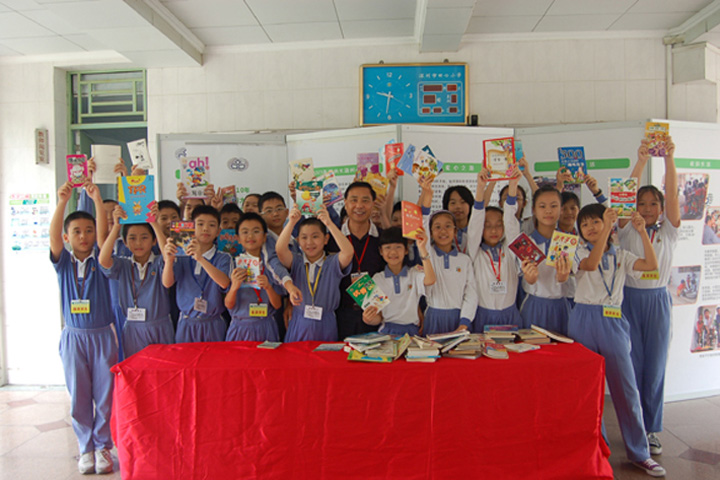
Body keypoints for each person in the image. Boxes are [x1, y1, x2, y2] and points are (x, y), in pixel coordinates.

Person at [569, 204, 665, 477]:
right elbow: (590, 264)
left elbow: (651, 266)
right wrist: (606, 232)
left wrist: (641, 232)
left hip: (613, 320)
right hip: (583, 318)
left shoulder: (621, 255)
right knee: (589, 390)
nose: (590, 227)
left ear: (607, 225)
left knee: (627, 388)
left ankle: (640, 452)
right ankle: (597, 449)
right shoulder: (578, 251)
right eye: (584, 224)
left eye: (596, 222)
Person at [50, 179, 116, 475]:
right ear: (67, 237)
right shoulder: (62, 262)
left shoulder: (101, 261)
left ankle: (103, 447)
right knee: (79, 394)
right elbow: (53, 236)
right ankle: (84, 448)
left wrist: (97, 197)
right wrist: (63, 201)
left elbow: (103, 235)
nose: (84, 236)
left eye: (88, 230)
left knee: (104, 395)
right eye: (76, 231)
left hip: (102, 334)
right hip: (74, 337)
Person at [620, 136, 681, 456]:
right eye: (641, 203)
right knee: (632, 365)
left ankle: (652, 429)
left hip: (657, 301)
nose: (646, 208)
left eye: (652, 204)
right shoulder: (628, 228)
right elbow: (621, 199)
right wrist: (640, 161)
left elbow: (671, 196)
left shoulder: (669, 230)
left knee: (655, 367)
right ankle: (633, 427)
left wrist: (669, 159)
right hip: (629, 299)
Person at [99, 205, 174, 358]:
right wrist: (116, 227)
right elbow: (103, 260)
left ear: (154, 241)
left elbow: (168, 256)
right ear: (125, 243)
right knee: (136, 370)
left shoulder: (160, 262)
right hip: (133, 328)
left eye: (144, 237)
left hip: (160, 326)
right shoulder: (123, 264)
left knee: (163, 370)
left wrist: (154, 224)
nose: (138, 243)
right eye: (132, 238)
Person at [469, 167, 537, 330]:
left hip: (510, 315)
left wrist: (513, 186)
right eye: (488, 225)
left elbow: (511, 222)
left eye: (499, 225)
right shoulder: (474, 253)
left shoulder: (509, 250)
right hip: (482, 316)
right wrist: (480, 188)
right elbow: (475, 223)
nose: (494, 230)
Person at [276, 205, 353, 342]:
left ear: (326, 239)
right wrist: (291, 222)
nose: (309, 242)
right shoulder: (297, 261)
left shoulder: (332, 263)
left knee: (325, 361)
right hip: (299, 321)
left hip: (326, 323)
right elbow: (280, 250)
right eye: (304, 238)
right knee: (296, 361)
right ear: (298, 241)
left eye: (315, 236)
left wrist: (328, 223)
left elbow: (348, 252)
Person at [162, 205, 232, 343]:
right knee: (185, 362)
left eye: (211, 225)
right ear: (191, 228)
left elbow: (224, 283)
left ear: (218, 231)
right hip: (187, 323)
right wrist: (169, 261)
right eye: (200, 224)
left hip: (213, 322)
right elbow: (167, 283)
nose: (205, 229)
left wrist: (200, 258)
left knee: (214, 362)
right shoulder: (182, 255)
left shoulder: (223, 257)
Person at [419, 177, 478, 334]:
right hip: (434, 317)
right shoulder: (428, 254)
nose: (443, 231)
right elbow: (423, 224)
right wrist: (427, 195)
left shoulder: (464, 260)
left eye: (447, 226)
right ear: (431, 232)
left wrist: (464, 322)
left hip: (459, 319)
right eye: (437, 227)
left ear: (455, 231)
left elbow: (471, 292)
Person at [329, 182, 386, 339]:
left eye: (365, 200)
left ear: (373, 204)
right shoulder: (332, 239)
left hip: (374, 313)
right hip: (340, 315)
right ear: (346, 204)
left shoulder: (382, 239)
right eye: (354, 200)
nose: (359, 206)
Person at [225, 213, 292, 341]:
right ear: (238, 238)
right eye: (245, 232)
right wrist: (234, 287)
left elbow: (277, 305)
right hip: (240, 326)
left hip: (265, 326)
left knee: (266, 361)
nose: (250, 236)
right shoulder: (233, 265)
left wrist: (268, 288)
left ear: (264, 237)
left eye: (256, 231)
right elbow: (228, 304)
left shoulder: (271, 266)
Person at [362, 227, 435, 336]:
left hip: (411, 332)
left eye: (398, 247)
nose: (393, 252)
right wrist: (368, 319)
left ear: (406, 250)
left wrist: (423, 249)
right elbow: (378, 318)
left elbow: (430, 280)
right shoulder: (377, 279)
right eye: (387, 247)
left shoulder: (414, 274)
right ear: (381, 251)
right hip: (386, 331)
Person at [519, 185, 572, 333]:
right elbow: (523, 278)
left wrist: (564, 278)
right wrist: (529, 279)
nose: (548, 211)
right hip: (534, 306)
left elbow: (574, 279)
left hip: (561, 306)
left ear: (561, 209)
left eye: (554, 206)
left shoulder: (568, 243)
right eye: (542, 206)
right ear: (534, 210)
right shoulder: (527, 244)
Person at [442, 185, 473, 254]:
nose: (458, 206)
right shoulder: (442, 231)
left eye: (463, 202)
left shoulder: (476, 229)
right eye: (453, 203)